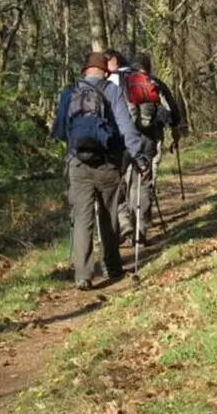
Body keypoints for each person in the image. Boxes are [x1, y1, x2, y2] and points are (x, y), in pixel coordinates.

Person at [51, 52, 150, 290]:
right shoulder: (111, 90)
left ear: (85, 70)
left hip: (78, 165)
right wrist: (139, 156)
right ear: (105, 71)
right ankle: (113, 267)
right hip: (108, 163)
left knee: (82, 217)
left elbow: (60, 130)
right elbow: (126, 127)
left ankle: (83, 275)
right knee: (109, 216)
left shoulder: (70, 92)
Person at [106, 50, 185, 245]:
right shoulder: (152, 82)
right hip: (149, 138)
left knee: (117, 182)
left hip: (122, 138)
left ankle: (124, 222)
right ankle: (140, 233)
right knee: (142, 182)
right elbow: (173, 112)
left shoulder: (114, 81)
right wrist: (175, 134)